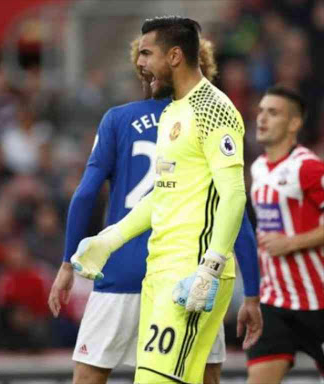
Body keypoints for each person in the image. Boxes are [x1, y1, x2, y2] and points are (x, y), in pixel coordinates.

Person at [49, 31, 262, 384]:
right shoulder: (196, 117)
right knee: (202, 375)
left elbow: (86, 193)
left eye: (147, 58)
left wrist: (67, 259)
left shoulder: (118, 119)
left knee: (89, 377)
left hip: (120, 272)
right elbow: (231, 210)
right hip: (182, 273)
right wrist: (250, 291)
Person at [246, 86, 324, 384]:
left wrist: (291, 242)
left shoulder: (308, 167)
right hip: (274, 303)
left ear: (294, 123)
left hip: (318, 302)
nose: (262, 118)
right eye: (261, 111)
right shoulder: (258, 168)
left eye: (273, 113)